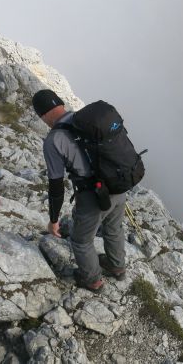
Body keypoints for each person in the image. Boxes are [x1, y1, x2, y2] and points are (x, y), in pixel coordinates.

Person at [32, 89, 126, 292]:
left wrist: (54, 219)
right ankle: (117, 266)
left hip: (94, 195)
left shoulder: (53, 140)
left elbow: (56, 185)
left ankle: (92, 280)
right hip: (119, 183)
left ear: (43, 114)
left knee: (81, 241)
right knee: (113, 228)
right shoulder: (87, 121)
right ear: (61, 104)